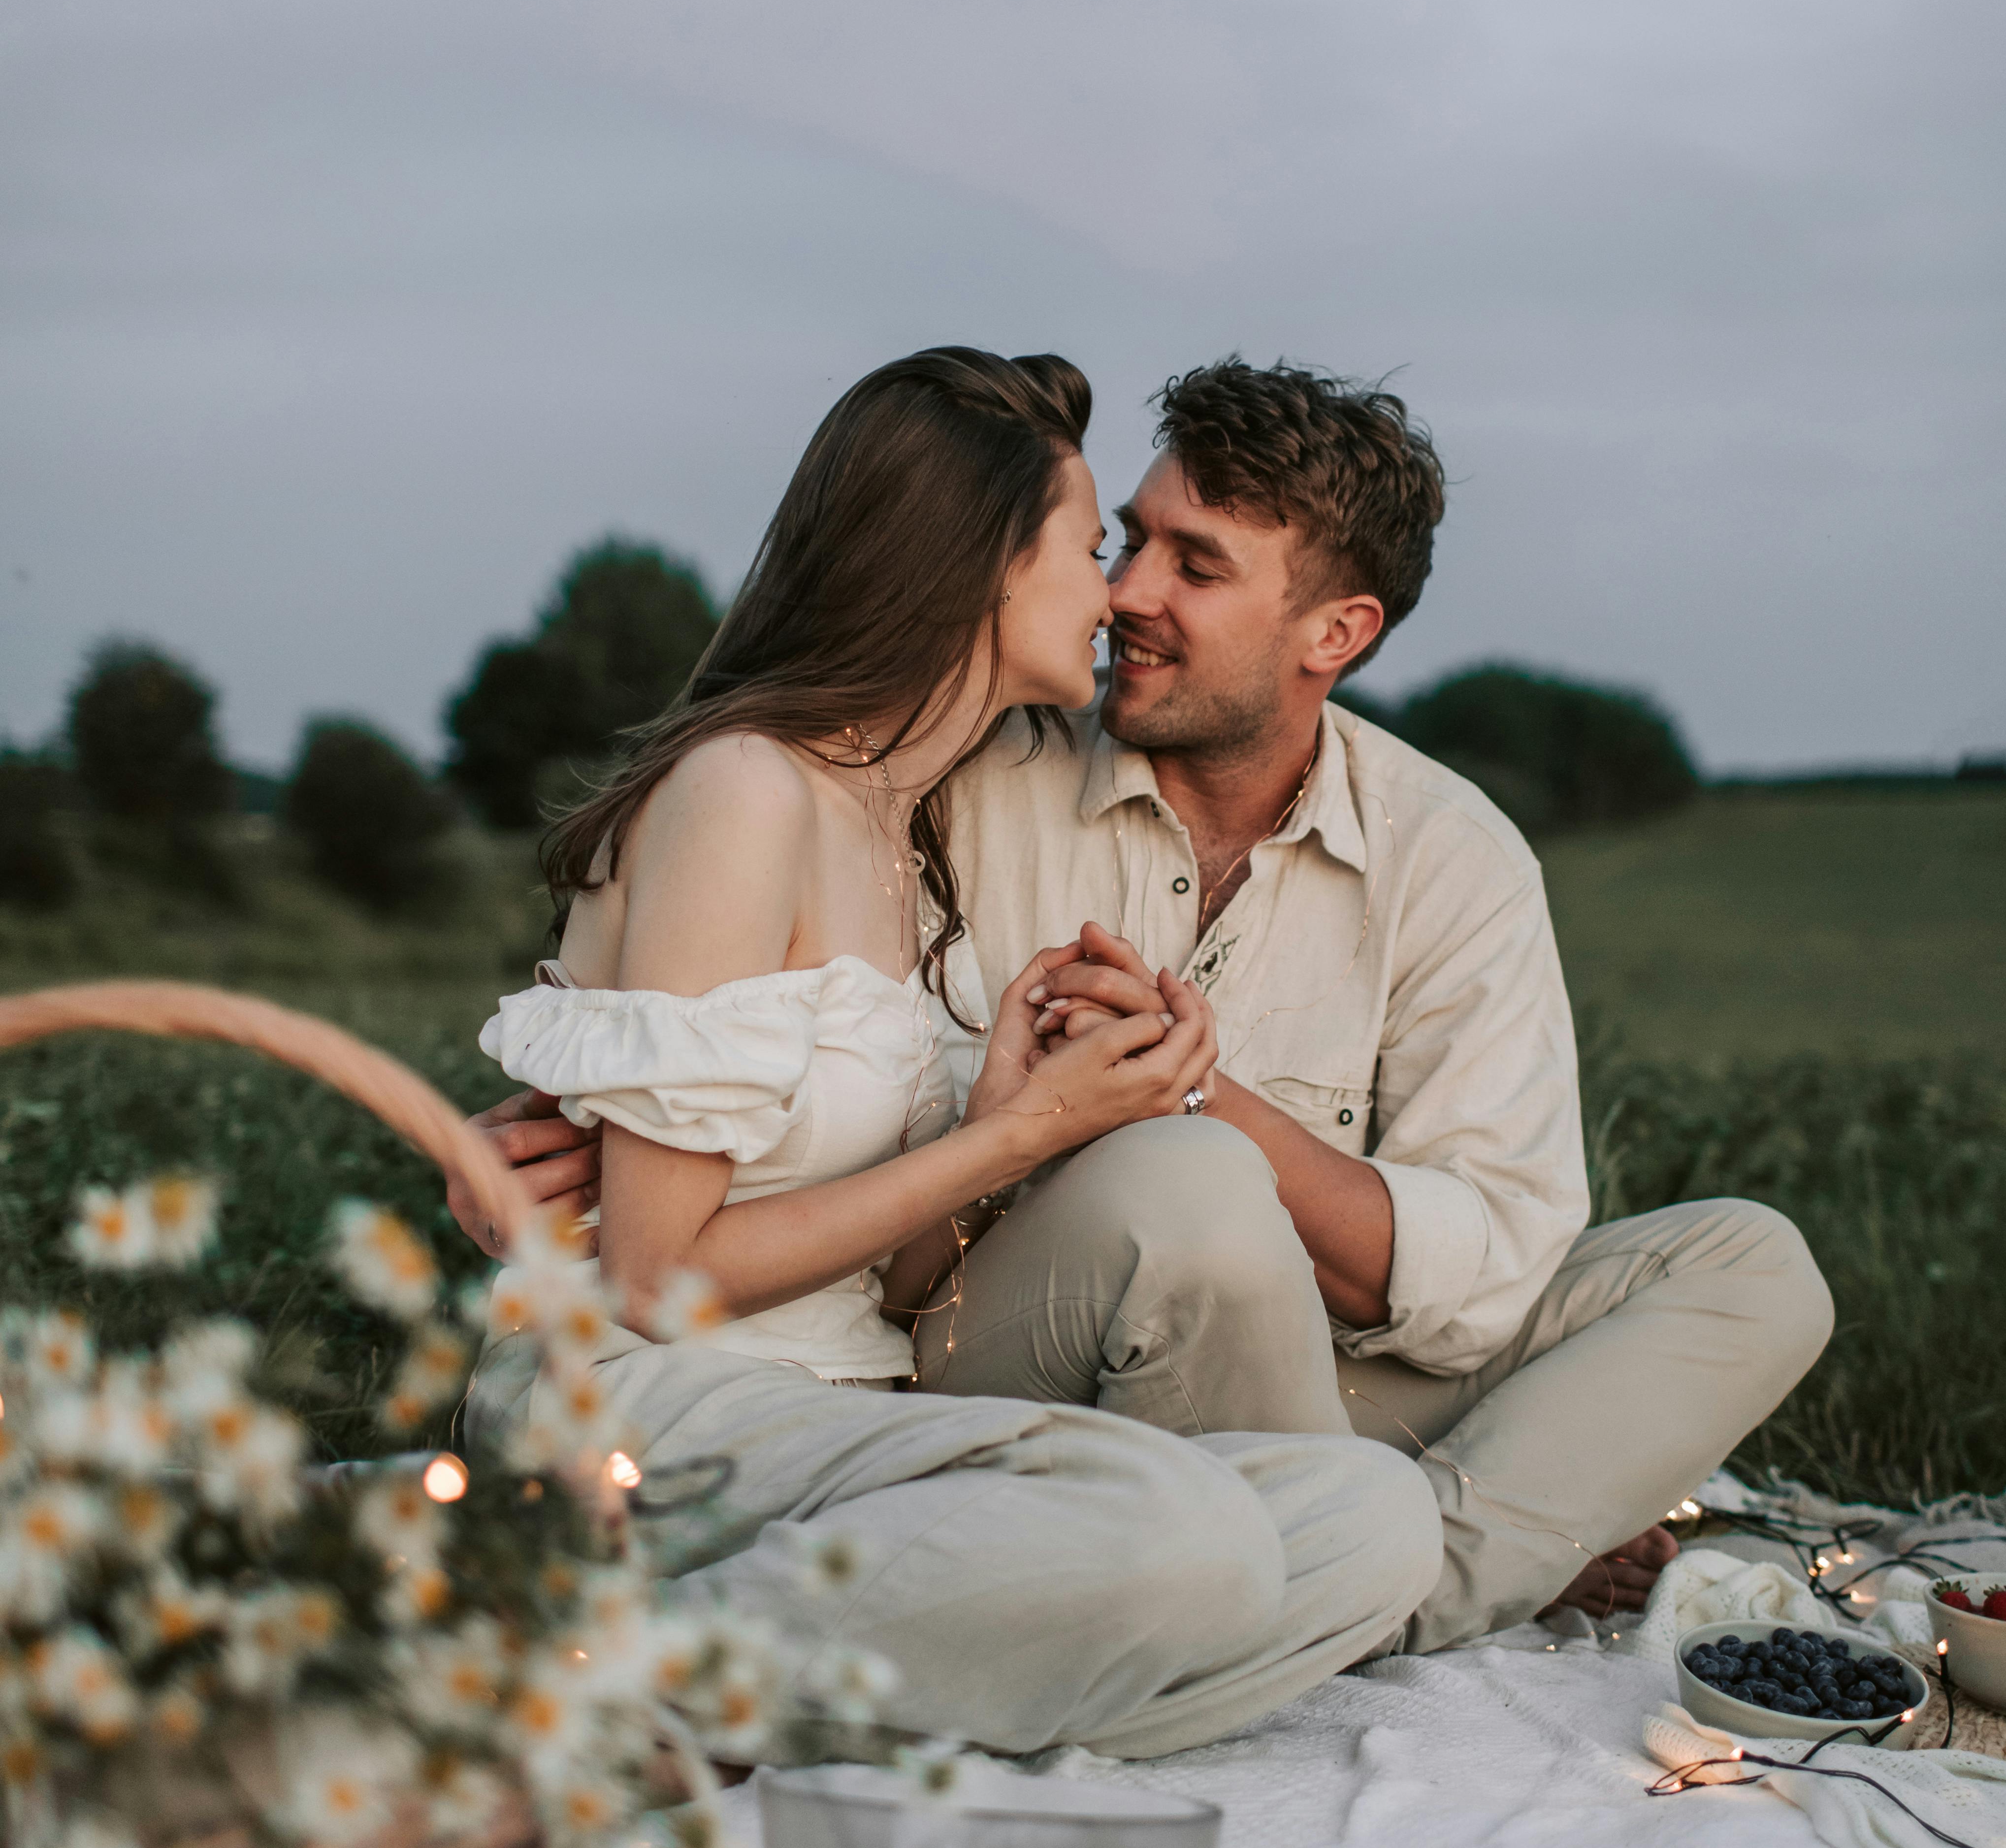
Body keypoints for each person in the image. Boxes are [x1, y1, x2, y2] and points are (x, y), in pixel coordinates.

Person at [462, 353, 1832, 1654]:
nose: (1124, 592)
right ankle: (1372, 1590)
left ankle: (1403, 1571)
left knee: (1748, 1266)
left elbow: (1483, 1279)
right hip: (1029, 1335)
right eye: (1119, 542)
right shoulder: (955, 776)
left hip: (1335, 1371)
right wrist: (529, 1155)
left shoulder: (1449, 857)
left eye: (1195, 564)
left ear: (1333, 633)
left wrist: (1194, 1090)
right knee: (1185, 1189)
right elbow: (698, 1048)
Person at [464, 346, 1441, 1760]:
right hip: (647, 1403)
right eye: (1088, 544)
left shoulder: (902, 832)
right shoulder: (743, 793)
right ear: (979, 568)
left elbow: (895, 1277)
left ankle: (859, 1703)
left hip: (838, 1418)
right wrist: (1018, 1138)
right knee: (1177, 1528)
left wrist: (991, 1114)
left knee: (1368, 1521)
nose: (1113, 591)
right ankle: (571, 1700)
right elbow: (653, 1275)